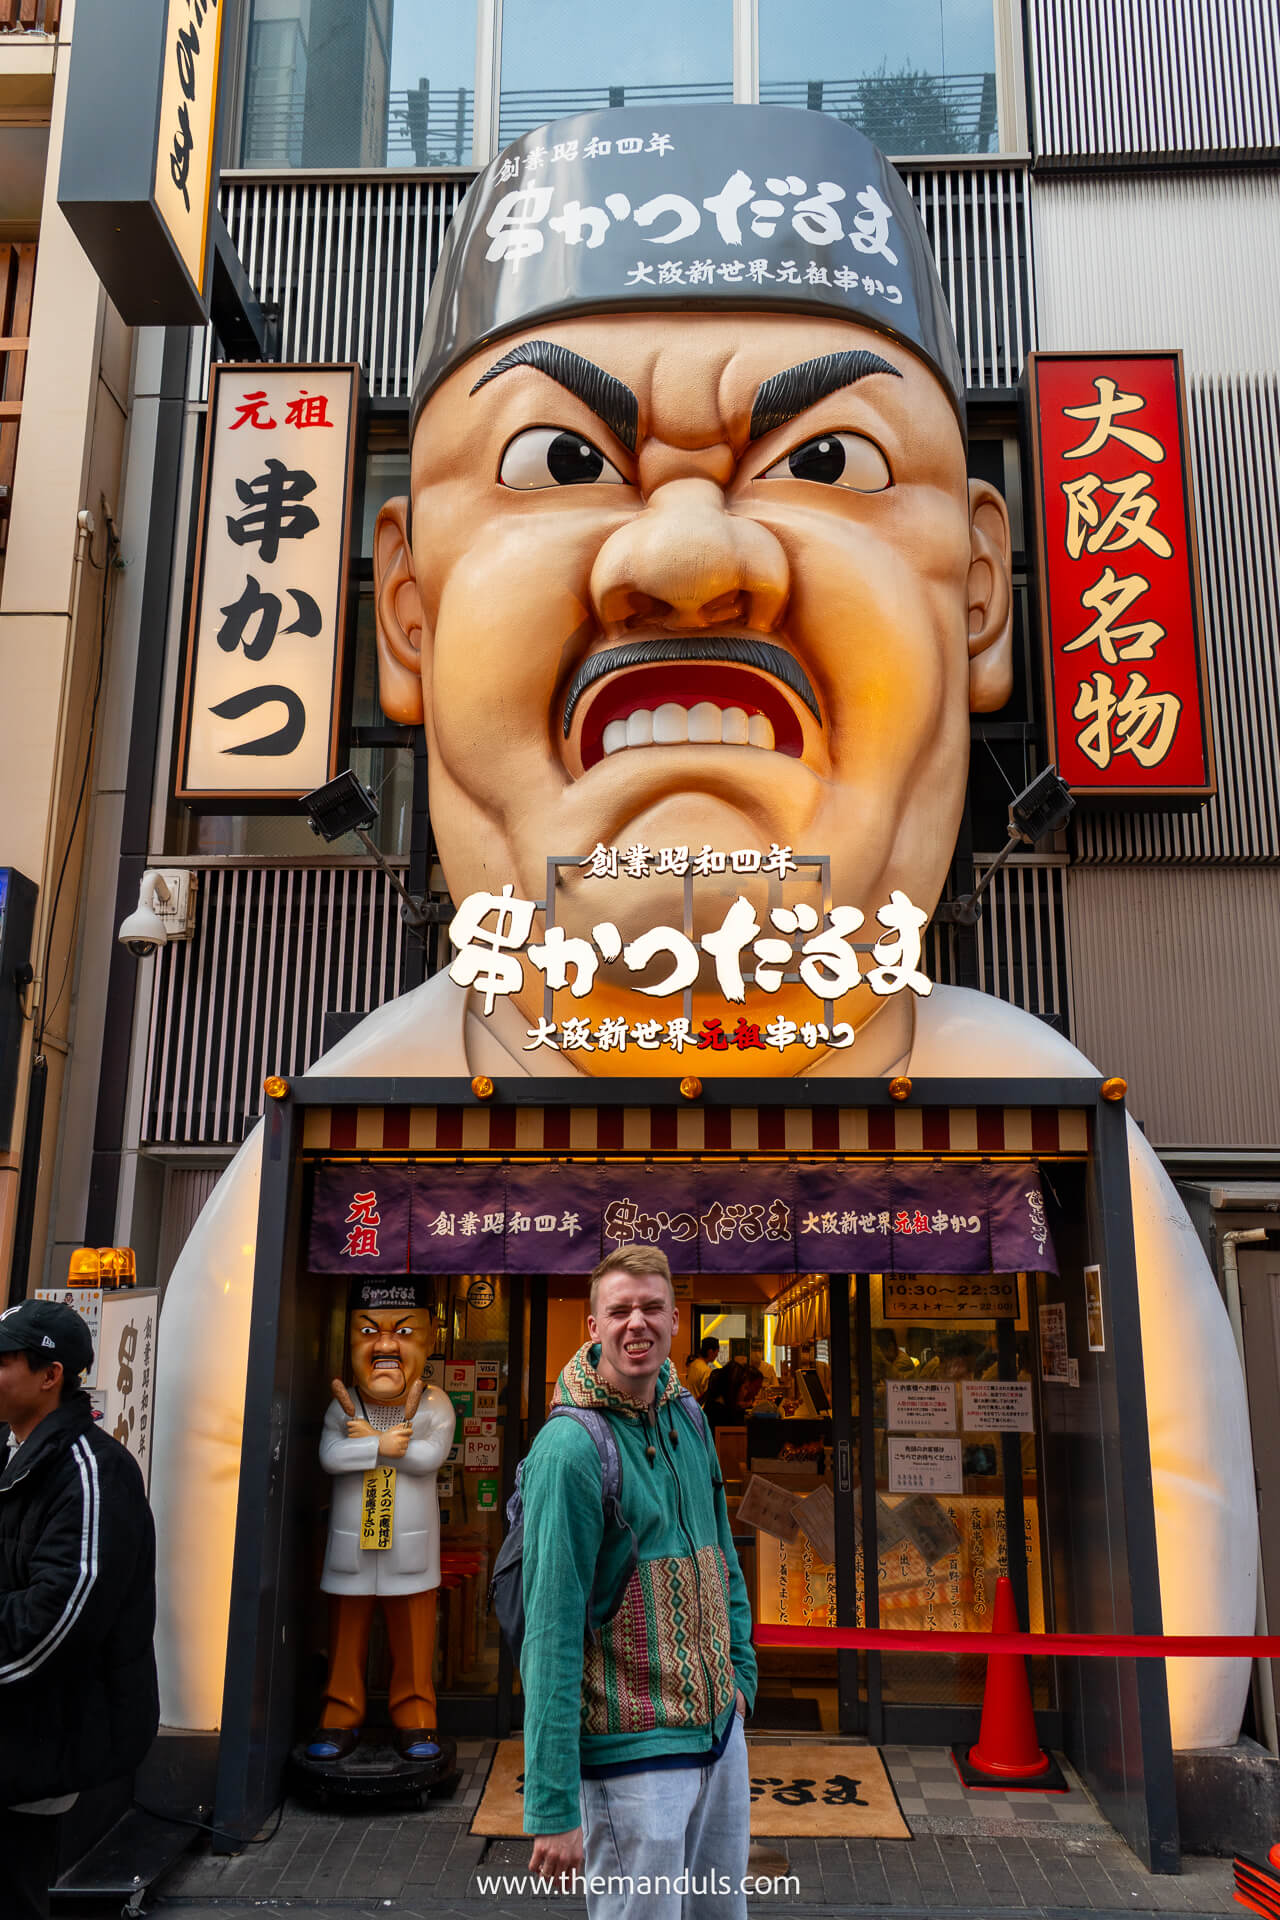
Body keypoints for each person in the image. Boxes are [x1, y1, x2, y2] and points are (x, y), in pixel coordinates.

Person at [150, 102, 1254, 1754]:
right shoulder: (330, 1139)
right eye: (557, 462)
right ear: (402, 608)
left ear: (978, 595)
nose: (678, 559)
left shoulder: (1044, 1120)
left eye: (828, 463)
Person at [519, 1247, 756, 1920]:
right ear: (592, 1327)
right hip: (632, 1759)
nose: (637, 1323)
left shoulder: (688, 1416)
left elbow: (724, 1558)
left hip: (718, 1736)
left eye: (651, 1307)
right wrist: (553, 1804)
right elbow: (549, 1633)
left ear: (676, 1320)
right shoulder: (568, 1451)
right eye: (619, 1310)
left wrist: (741, 1679)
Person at [0, 1299, 158, 1920]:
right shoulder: (17, 1457)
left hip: (41, 1736)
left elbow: (58, 1624)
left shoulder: (91, 1472)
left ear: (50, 1374)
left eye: (5, 1360)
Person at [307, 1280, 455, 1761]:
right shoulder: (342, 1403)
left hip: (408, 1545)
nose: (387, 1345)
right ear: (349, 1340)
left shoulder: (435, 1404)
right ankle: (338, 1715)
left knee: (413, 1636)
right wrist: (379, 1444)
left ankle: (416, 1719)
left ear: (428, 1340)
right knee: (346, 1631)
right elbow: (330, 1456)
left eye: (404, 1331)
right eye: (369, 1331)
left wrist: (376, 1445)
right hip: (353, 1542)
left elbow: (429, 1457)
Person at [685, 1335, 721, 1402]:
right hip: (698, 1408)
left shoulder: (693, 1364)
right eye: (717, 1352)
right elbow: (707, 1396)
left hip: (689, 1404)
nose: (717, 1355)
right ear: (710, 1351)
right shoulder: (706, 1370)